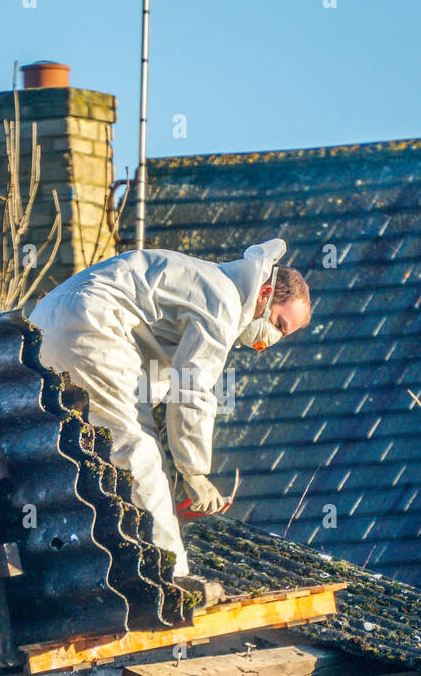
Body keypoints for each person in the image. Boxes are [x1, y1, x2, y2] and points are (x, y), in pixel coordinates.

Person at [29, 238, 311, 576]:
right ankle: (171, 576)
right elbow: (192, 389)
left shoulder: (201, 279)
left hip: (43, 326)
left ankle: (85, 558)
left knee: (78, 448)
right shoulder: (223, 301)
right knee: (140, 452)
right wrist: (194, 471)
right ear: (265, 293)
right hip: (92, 328)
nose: (270, 341)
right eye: (279, 324)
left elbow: (159, 374)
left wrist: (175, 450)